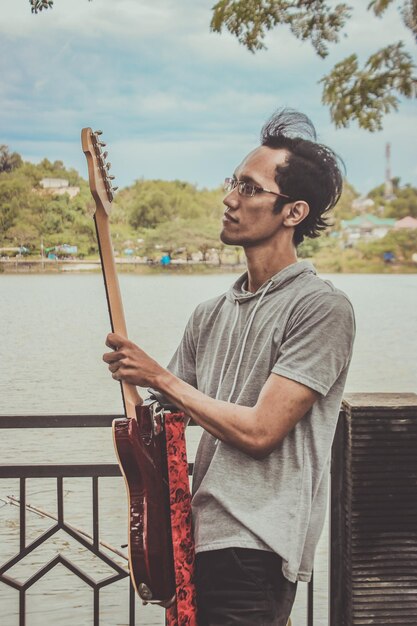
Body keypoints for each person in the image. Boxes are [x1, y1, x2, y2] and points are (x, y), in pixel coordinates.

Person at [103, 109, 355, 626]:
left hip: (257, 546)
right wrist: (138, 387)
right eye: (232, 181)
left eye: (249, 187)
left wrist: (158, 376)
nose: (230, 198)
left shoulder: (322, 309)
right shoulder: (209, 314)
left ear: (293, 212)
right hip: (195, 537)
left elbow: (263, 431)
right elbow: (169, 412)